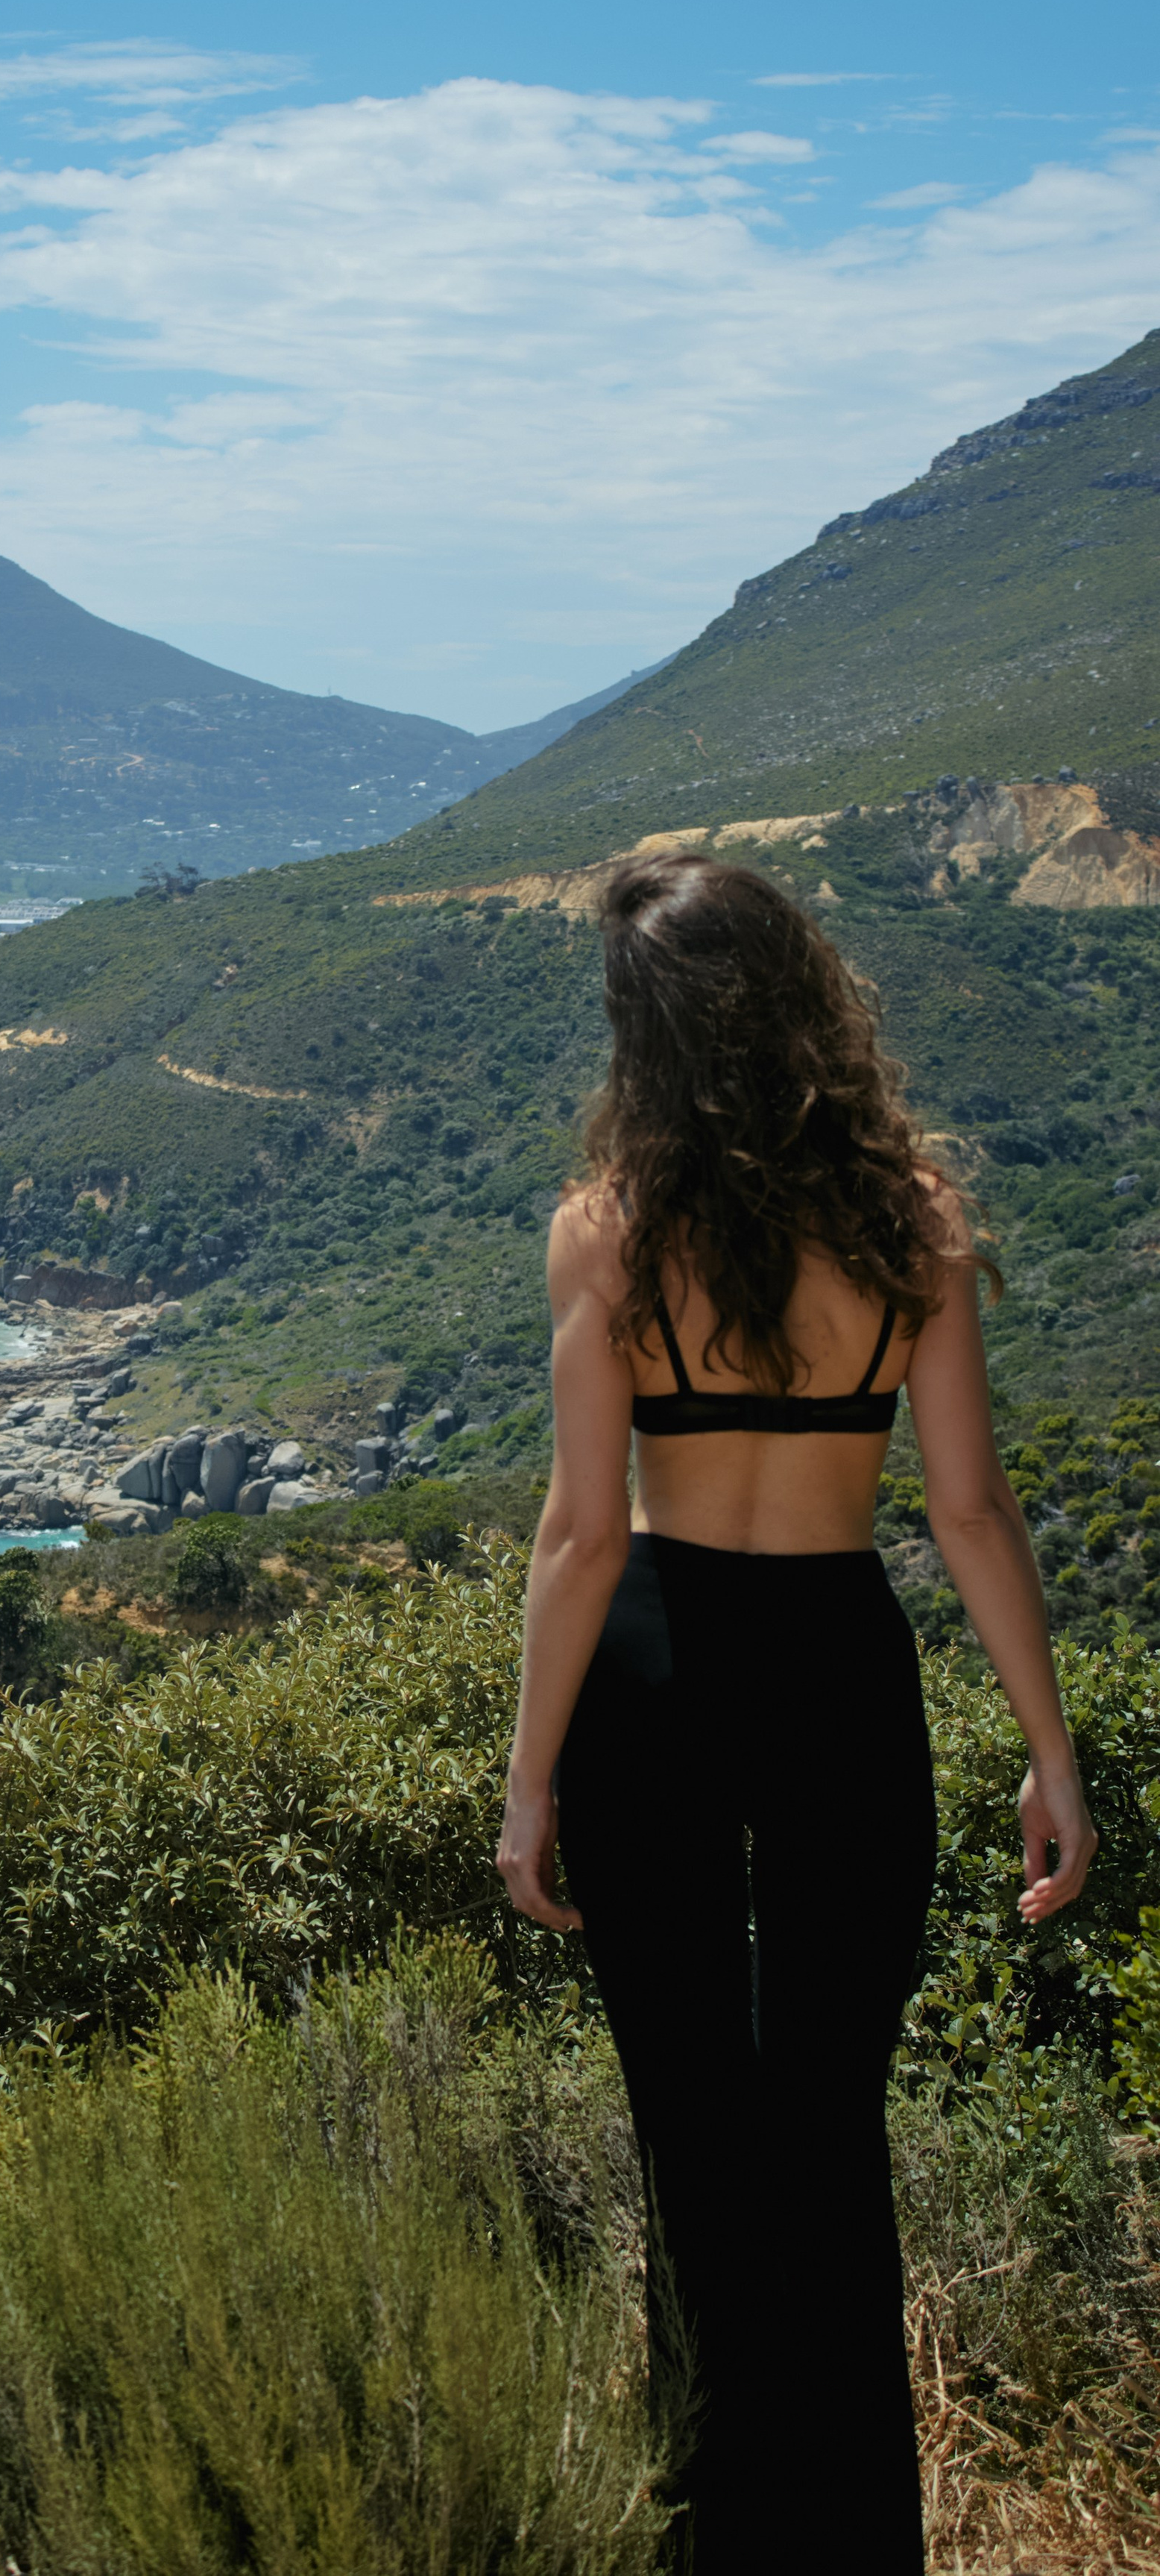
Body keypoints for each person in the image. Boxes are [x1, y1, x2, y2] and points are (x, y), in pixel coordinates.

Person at [493, 851, 1097, 2574]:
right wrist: (1047, 1755)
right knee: (827, 2139)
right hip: (842, 1670)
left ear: (650, 1035)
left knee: (696, 2150)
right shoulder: (913, 1222)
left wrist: (528, 1786)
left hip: (656, 1677)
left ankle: (712, 2542)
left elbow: (582, 1532)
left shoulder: (602, 1233)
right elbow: (971, 1511)